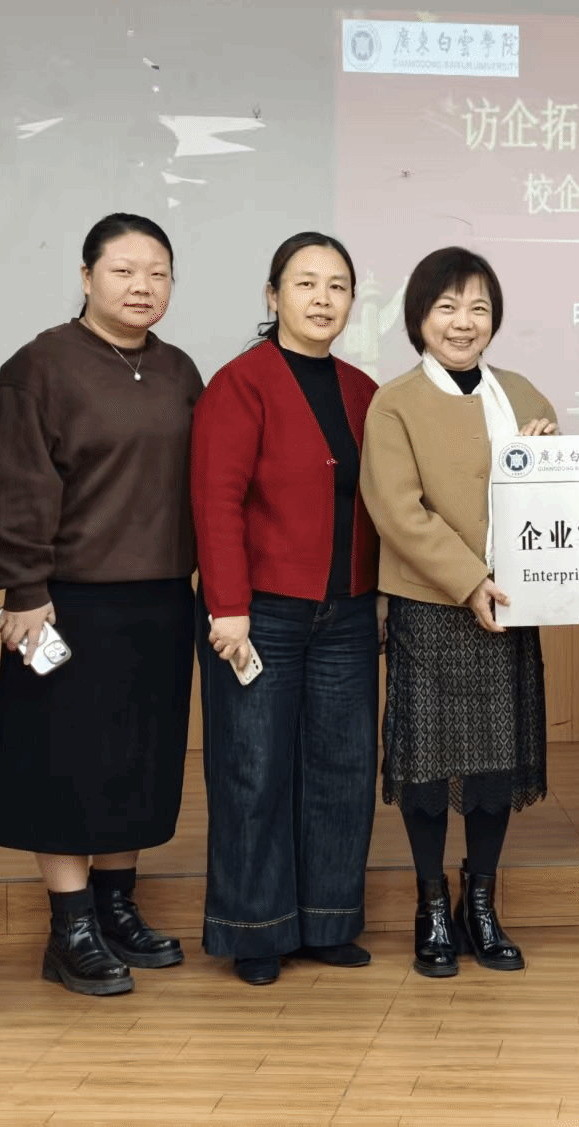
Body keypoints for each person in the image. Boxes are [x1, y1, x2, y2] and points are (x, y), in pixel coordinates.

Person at [0, 213, 204, 996]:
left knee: (138, 758)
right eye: (123, 270)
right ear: (85, 277)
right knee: (64, 766)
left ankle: (115, 907)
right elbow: (16, 484)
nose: (143, 286)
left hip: (162, 598)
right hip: (64, 601)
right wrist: (24, 589)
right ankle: (69, 926)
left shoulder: (178, 369)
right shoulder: (38, 366)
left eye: (158, 273)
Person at [359, 246, 558, 978]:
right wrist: (470, 580)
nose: (463, 321)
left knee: (494, 766)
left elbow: (562, 498)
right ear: (419, 317)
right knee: (426, 766)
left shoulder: (525, 394)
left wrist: (548, 459)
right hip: (432, 604)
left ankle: (481, 901)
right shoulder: (394, 401)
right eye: (447, 307)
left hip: (511, 603)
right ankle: (431, 905)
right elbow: (397, 510)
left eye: (478, 307)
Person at [190, 232, 382, 987]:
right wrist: (227, 606)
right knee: (253, 769)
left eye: (337, 285)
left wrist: (380, 596)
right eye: (305, 283)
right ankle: (255, 930)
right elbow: (216, 500)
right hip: (258, 614)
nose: (322, 299)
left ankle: (328, 922)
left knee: (342, 767)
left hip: (348, 612)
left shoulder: (364, 391)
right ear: (273, 297)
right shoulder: (240, 383)